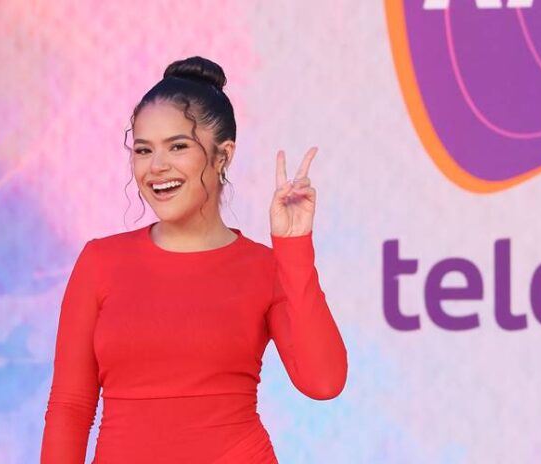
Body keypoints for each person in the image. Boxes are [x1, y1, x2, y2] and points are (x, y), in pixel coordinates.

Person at [39, 56, 348, 463]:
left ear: (223, 155)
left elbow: (324, 382)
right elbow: (70, 407)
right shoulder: (100, 262)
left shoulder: (264, 267)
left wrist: (294, 246)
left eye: (178, 146)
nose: (156, 166)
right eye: (143, 150)